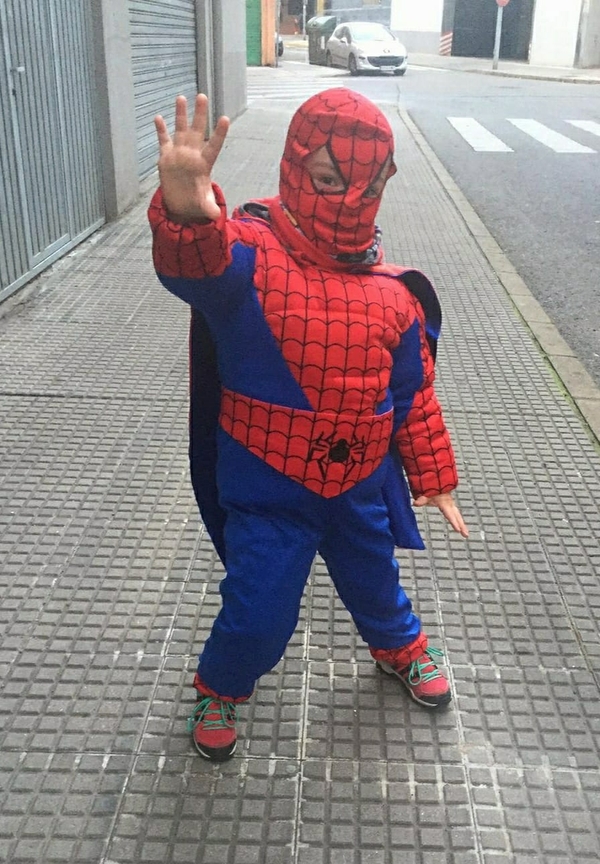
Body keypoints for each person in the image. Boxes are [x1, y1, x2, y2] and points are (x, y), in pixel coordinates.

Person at [148, 89, 468, 762]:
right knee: (258, 610)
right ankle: (221, 686)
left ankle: (399, 646)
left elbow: (412, 395)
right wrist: (185, 207)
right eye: (329, 178)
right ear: (296, 166)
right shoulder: (249, 254)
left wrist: (434, 476)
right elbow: (196, 263)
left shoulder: (395, 295)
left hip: (358, 488)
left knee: (376, 581)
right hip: (267, 488)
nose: (350, 199)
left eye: (368, 185)